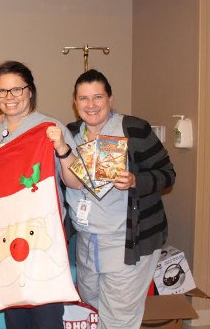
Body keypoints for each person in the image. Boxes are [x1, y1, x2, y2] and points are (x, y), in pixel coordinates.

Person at [0, 60, 82, 329]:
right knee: (15, 315)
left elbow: (77, 181)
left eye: (17, 90)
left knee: (46, 317)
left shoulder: (50, 128)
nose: (9, 98)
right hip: (3, 238)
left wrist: (62, 147)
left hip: (42, 239)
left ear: (30, 91)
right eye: (2, 91)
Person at [65, 69, 176, 328]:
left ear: (110, 99)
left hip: (126, 241)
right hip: (87, 241)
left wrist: (137, 181)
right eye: (83, 98)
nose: (91, 105)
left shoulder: (133, 130)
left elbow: (168, 174)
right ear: (75, 102)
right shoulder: (71, 134)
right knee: (90, 308)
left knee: (118, 318)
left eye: (98, 97)